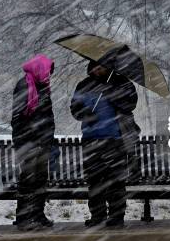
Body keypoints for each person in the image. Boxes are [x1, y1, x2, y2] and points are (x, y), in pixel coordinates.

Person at [71, 60, 133, 228]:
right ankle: (97, 216)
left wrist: (115, 96)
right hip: (91, 139)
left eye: (101, 67)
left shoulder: (121, 82)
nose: (98, 71)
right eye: (95, 68)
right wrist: (86, 114)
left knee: (116, 181)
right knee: (95, 181)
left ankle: (116, 217)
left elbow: (130, 104)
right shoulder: (84, 85)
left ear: (109, 67)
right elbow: (75, 110)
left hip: (115, 139)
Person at [11, 54, 56, 230]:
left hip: (42, 141)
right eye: (47, 71)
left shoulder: (43, 86)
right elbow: (19, 118)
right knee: (28, 180)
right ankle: (23, 216)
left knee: (40, 180)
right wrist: (27, 140)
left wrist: (48, 136)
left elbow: (47, 115)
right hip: (29, 143)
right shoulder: (25, 86)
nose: (49, 75)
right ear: (39, 69)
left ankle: (38, 213)